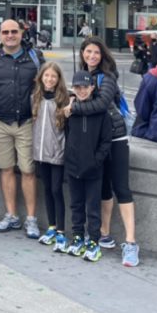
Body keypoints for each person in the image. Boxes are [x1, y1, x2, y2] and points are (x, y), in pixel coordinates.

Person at [66, 36, 139, 267]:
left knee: (121, 188)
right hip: (92, 141)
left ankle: (130, 242)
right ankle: (103, 234)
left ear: (103, 55)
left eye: (96, 52)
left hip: (115, 137)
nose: (92, 56)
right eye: (88, 52)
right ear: (82, 54)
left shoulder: (107, 77)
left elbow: (100, 104)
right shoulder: (82, 77)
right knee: (103, 187)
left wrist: (73, 108)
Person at [0, 19, 42, 238]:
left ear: (22, 33)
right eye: (5, 32)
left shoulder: (34, 57)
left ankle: (31, 219)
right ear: (0, 35)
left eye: (14, 31)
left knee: (28, 171)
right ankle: (11, 215)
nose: (10, 35)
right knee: (5, 169)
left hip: (26, 122)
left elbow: (46, 87)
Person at [62, 71, 112, 263]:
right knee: (76, 204)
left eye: (85, 87)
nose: (81, 90)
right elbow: (68, 135)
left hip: (93, 169)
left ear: (92, 88)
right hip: (73, 166)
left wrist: (96, 160)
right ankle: (77, 236)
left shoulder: (101, 113)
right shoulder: (70, 111)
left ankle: (93, 241)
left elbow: (106, 141)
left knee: (92, 207)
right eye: (77, 87)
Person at [32, 62, 69, 251]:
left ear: (58, 79)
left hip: (57, 152)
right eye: (46, 76)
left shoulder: (63, 100)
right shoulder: (35, 98)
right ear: (41, 77)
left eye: (53, 76)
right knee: (46, 189)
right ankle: (52, 226)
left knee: (56, 189)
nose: (49, 79)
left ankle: (62, 231)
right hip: (40, 152)